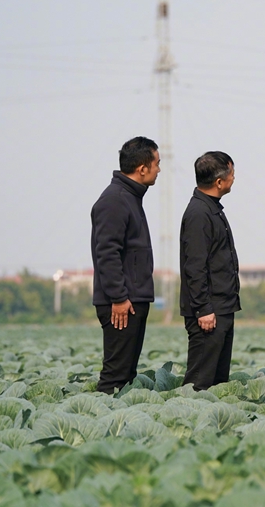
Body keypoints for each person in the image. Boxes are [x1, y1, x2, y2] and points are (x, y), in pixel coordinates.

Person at [91, 136, 160, 394]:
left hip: (132, 298)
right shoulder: (115, 200)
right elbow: (106, 252)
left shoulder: (130, 197)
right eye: (157, 163)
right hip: (121, 303)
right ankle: (102, 416)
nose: (159, 169)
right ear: (142, 168)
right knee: (115, 377)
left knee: (126, 377)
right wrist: (118, 297)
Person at [179, 152, 240, 391]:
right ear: (219, 182)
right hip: (208, 312)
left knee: (217, 382)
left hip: (221, 307)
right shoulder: (199, 213)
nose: (234, 178)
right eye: (232, 174)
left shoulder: (211, 208)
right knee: (199, 382)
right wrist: (203, 309)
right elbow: (195, 266)